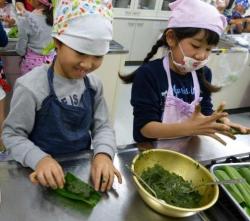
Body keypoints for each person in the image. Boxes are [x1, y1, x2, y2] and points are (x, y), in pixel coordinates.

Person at [2, 0, 122, 192]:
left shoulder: (93, 85)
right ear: (58, 42)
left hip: (80, 171)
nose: (88, 64)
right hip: (36, 176)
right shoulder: (31, 86)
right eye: (81, 52)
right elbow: (12, 135)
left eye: (98, 56)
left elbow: (102, 127)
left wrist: (104, 154)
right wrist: (40, 159)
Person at [120, 0, 250, 148]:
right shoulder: (149, 74)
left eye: (208, 49)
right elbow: (145, 128)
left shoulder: (204, 74)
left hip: (187, 147)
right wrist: (189, 128)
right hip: (152, 149)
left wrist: (221, 122)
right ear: (171, 38)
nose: (201, 55)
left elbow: (205, 111)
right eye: (195, 46)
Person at [16, 0, 55, 75]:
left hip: (32, 66)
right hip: (52, 63)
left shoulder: (26, 19)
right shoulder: (56, 17)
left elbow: (20, 50)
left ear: (37, 1)